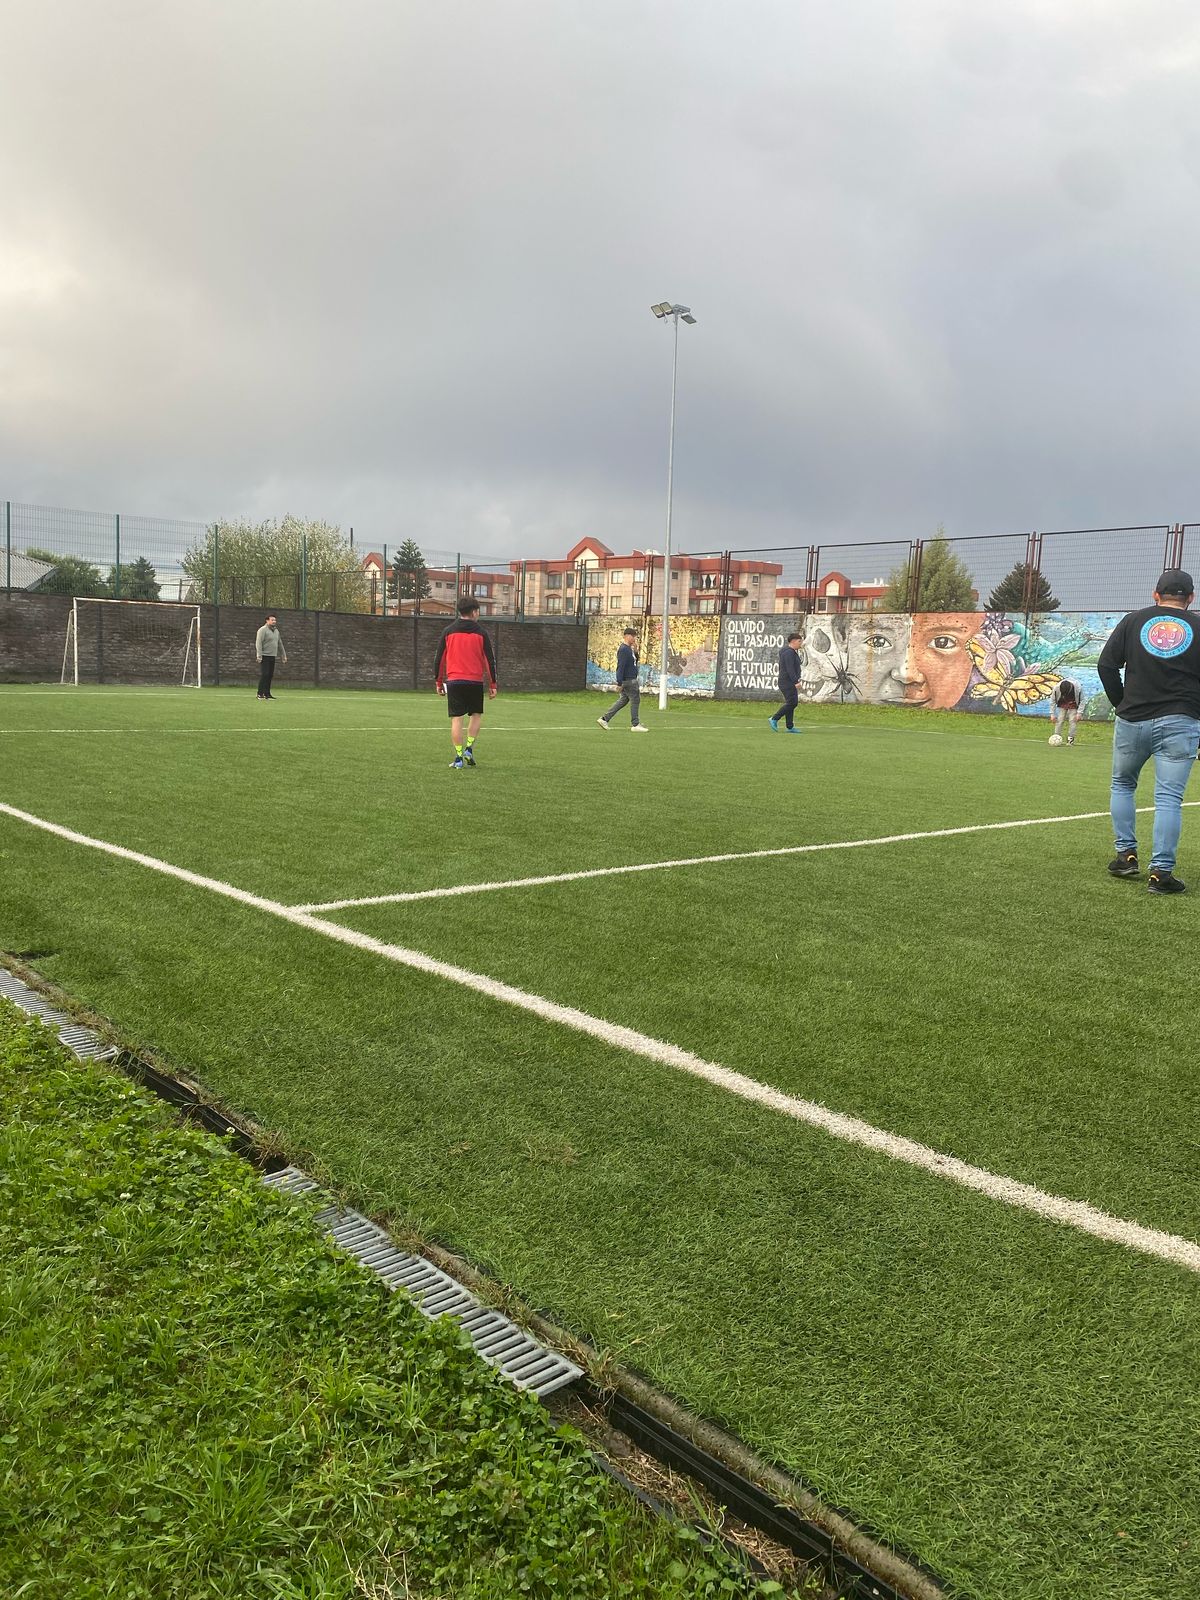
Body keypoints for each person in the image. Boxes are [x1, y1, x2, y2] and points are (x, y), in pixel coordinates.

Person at [1097, 568, 1200, 894]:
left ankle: (1126, 856)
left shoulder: (1133, 620)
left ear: (1156, 594)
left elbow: (1106, 665)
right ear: (1191, 598)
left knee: (1123, 785)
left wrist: (1121, 703)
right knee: (1169, 797)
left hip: (1133, 719)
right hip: (1181, 720)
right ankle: (1161, 874)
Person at [434, 598, 498, 769]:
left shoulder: (448, 631)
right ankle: (469, 748)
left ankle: (459, 757)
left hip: (454, 681)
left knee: (457, 719)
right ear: (475, 612)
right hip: (475, 681)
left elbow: (439, 659)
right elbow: (489, 660)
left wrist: (438, 682)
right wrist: (493, 684)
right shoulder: (481, 633)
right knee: (476, 715)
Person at [597, 627, 648, 732]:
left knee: (623, 700)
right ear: (626, 636)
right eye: (632, 636)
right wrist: (619, 682)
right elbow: (621, 666)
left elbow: (634, 662)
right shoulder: (624, 649)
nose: (634, 638)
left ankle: (604, 719)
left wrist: (636, 651)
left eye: (635, 636)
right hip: (629, 680)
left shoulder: (629, 649)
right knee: (635, 700)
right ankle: (635, 724)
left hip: (630, 679)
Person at [769, 633, 804, 732]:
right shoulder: (789, 653)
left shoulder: (789, 651)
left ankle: (790, 726)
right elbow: (790, 669)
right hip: (787, 682)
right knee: (793, 703)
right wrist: (795, 681)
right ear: (793, 641)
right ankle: (774, 718)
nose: (800, 643)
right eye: (799, 641)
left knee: (791, 703)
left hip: (786, 682)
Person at [255, 614, 286, 700]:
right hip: (264, 656)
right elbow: (258, 643)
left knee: (270, 675)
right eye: (272, 620)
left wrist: (283, 655)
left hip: (273, 656)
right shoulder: (262, 630)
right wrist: (259, 655)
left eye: (275, 620)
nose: (274, 622)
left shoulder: (276, 631)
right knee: (265, 674)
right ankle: (259, 693)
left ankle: (267, 694)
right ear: (267, 621)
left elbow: (280, 643)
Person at [1049, 676, 1084, 744]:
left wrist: (1079, 713)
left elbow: (1082, 700)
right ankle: (1056, 736)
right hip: (1062, 703)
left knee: (1072, 721)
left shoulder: (1078, 687)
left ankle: (1070, 740)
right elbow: (1052, 701)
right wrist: (1052, 714)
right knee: (1060, 720)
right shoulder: (1056, 688)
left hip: (1073, 703)